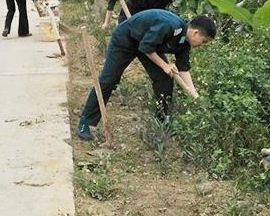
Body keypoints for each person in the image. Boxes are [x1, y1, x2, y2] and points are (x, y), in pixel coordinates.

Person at [77, 10, 217, 141]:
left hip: (148, 47)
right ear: (196, 33)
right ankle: (86, 124)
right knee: (108, 80)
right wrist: (164, 65)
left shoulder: (184, 43)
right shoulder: (170, 26)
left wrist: (194, 95)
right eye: (204, 41)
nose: (202, 44)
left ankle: (161, 121)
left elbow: (183, 69)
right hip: (126, 41)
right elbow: (146, 47)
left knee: (164, 79)